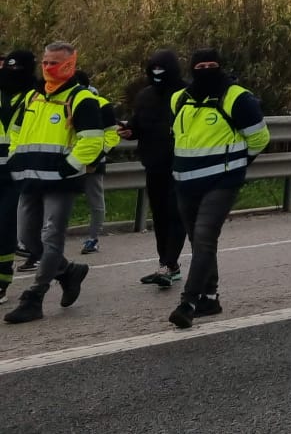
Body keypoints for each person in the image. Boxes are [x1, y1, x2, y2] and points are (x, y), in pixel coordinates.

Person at [4, 42, 109, 324]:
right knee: (27, 239)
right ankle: (69, 271)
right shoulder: (32, 97)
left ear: (69, 64)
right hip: (30, 178)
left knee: (52, 238)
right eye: (46, 62)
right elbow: (16, 131)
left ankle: (35, 297)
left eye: (55, 63)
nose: (48, 68)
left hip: (61, 183)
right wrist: (15, 157)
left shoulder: (81, 98)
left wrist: (68, 168)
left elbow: (92, 141)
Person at [166, 48, 270, 328]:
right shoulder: (180, 98)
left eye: (212, 65)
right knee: (198, 241)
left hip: (222, 181)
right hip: (185, 182)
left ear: (222, 66)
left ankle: (188, 302)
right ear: (192, 69)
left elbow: (260, 138)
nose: (206, 69)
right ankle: (210, 298)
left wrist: (237, 163)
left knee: (204, 237)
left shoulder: (238, 97)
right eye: (201, 65)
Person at [122, 49, 187, 288]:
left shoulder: (186, 94)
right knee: (159, 215)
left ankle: (169, 264)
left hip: (180, 163)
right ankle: (166, 263)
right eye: (153, 69)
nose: (157, 73)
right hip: (153, 164)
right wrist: (130, 130)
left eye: (162, 69)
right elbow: (138, 124)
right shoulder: (145, 96)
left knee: (175, 213)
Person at [0, 49, 35, 302]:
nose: (12, 73)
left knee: (4, 228)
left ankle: (1, 281)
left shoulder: (36, 96)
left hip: (16, 172)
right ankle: (65, 271)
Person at [79, 71, 121, 255]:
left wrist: (98, 155)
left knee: (95, 201)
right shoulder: (63, 102)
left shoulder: (102, 104)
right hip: (67, 160)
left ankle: (93, 238)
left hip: (93, 161)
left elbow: (112, 134)